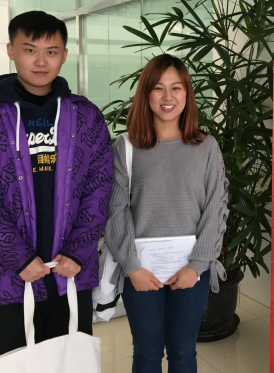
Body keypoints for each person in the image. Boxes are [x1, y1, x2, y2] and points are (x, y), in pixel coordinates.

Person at [0, 11, 113, 370]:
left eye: (51, 51)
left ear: (64, 55)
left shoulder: (86, 115)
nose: (41, 61)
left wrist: (78, 252)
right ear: (11, 51)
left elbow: (100, 187)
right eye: (30, 50)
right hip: (6, 277)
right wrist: (19, 258)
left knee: (71, 363)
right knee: (15, 364)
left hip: (69, 272)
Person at [105, 53, 229, 373]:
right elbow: (116, 210)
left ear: (187, 94)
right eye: (158, 88)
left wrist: (197, 266)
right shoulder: (126, 147)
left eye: (176, 88)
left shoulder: (206, 147)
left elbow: (216, 207)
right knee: (147, 354)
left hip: (191, 270)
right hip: (140, 270)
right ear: (146, 93)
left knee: (183, 352)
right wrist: (132, 266)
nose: (168, 97)